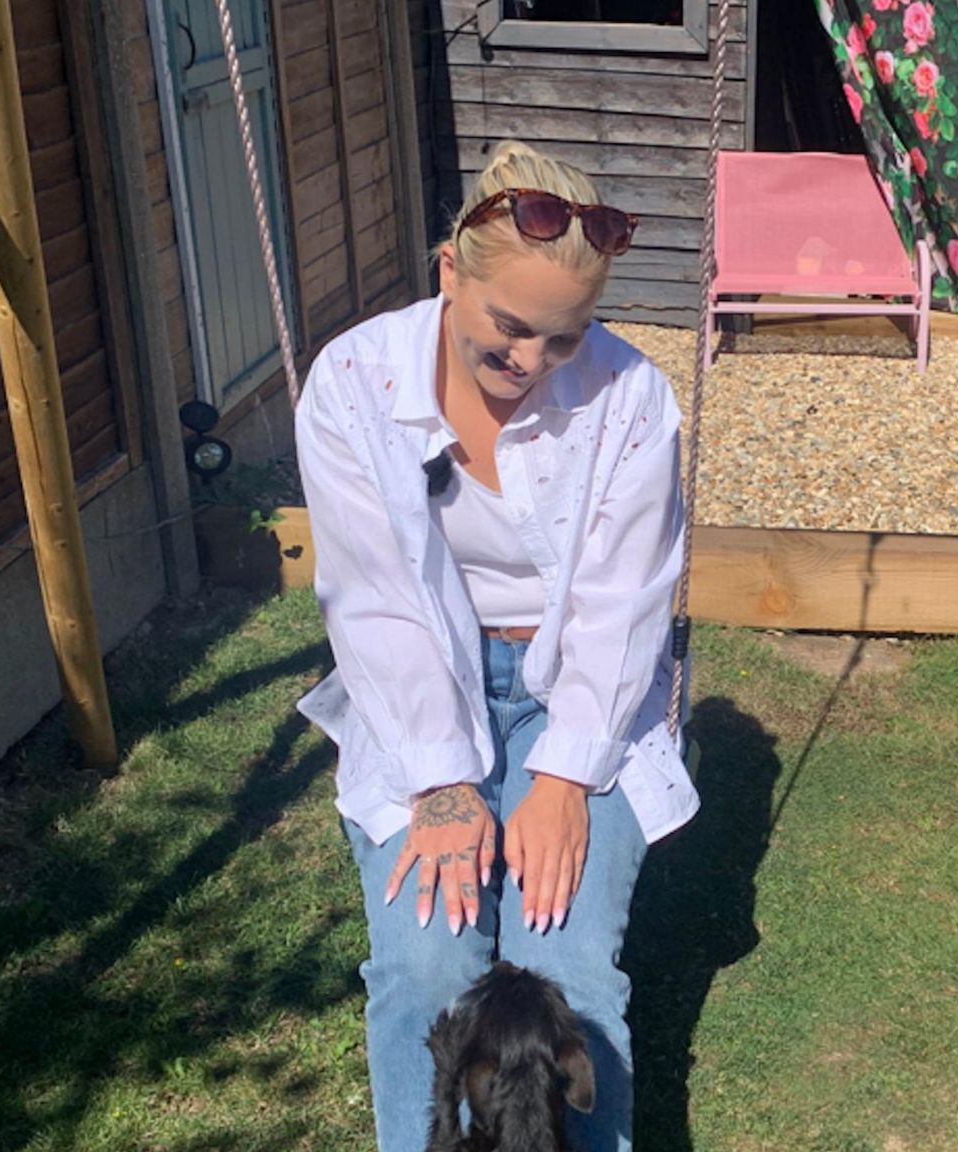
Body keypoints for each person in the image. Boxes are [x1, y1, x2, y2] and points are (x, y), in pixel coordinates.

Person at [294, 140, 696, 1152]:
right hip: (417, 690)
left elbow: (625, 607)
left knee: (565, 968)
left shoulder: (631, 400)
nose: (532, 362)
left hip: (579, 700)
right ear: (447, 272)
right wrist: (441, 785)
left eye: (563, 340)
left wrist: (563, 778)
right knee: (427, 965)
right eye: (509, 328)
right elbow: (376, 601)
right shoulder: (351, 385)